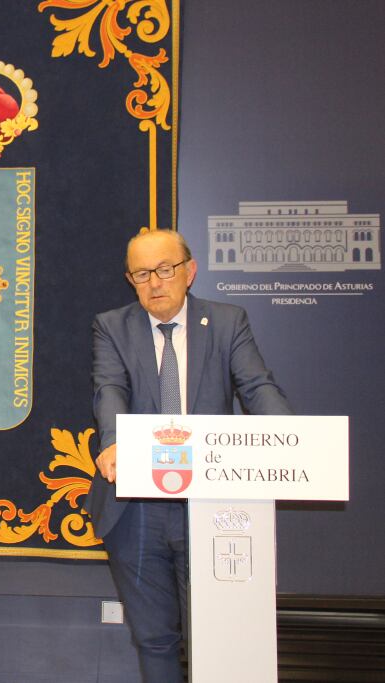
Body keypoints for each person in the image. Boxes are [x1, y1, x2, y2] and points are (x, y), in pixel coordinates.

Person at [86, 229, 291, 681]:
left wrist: (290, 440)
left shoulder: (226, 321)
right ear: (130, 280)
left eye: (165, 269)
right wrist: (114, 440)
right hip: (136, 510)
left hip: (212, 507)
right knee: (154, 638)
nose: (155, 282)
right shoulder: (112, 326)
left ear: (189, 271)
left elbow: (257, 387)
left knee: (215, 635)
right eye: (142, 274)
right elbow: (110, 390)